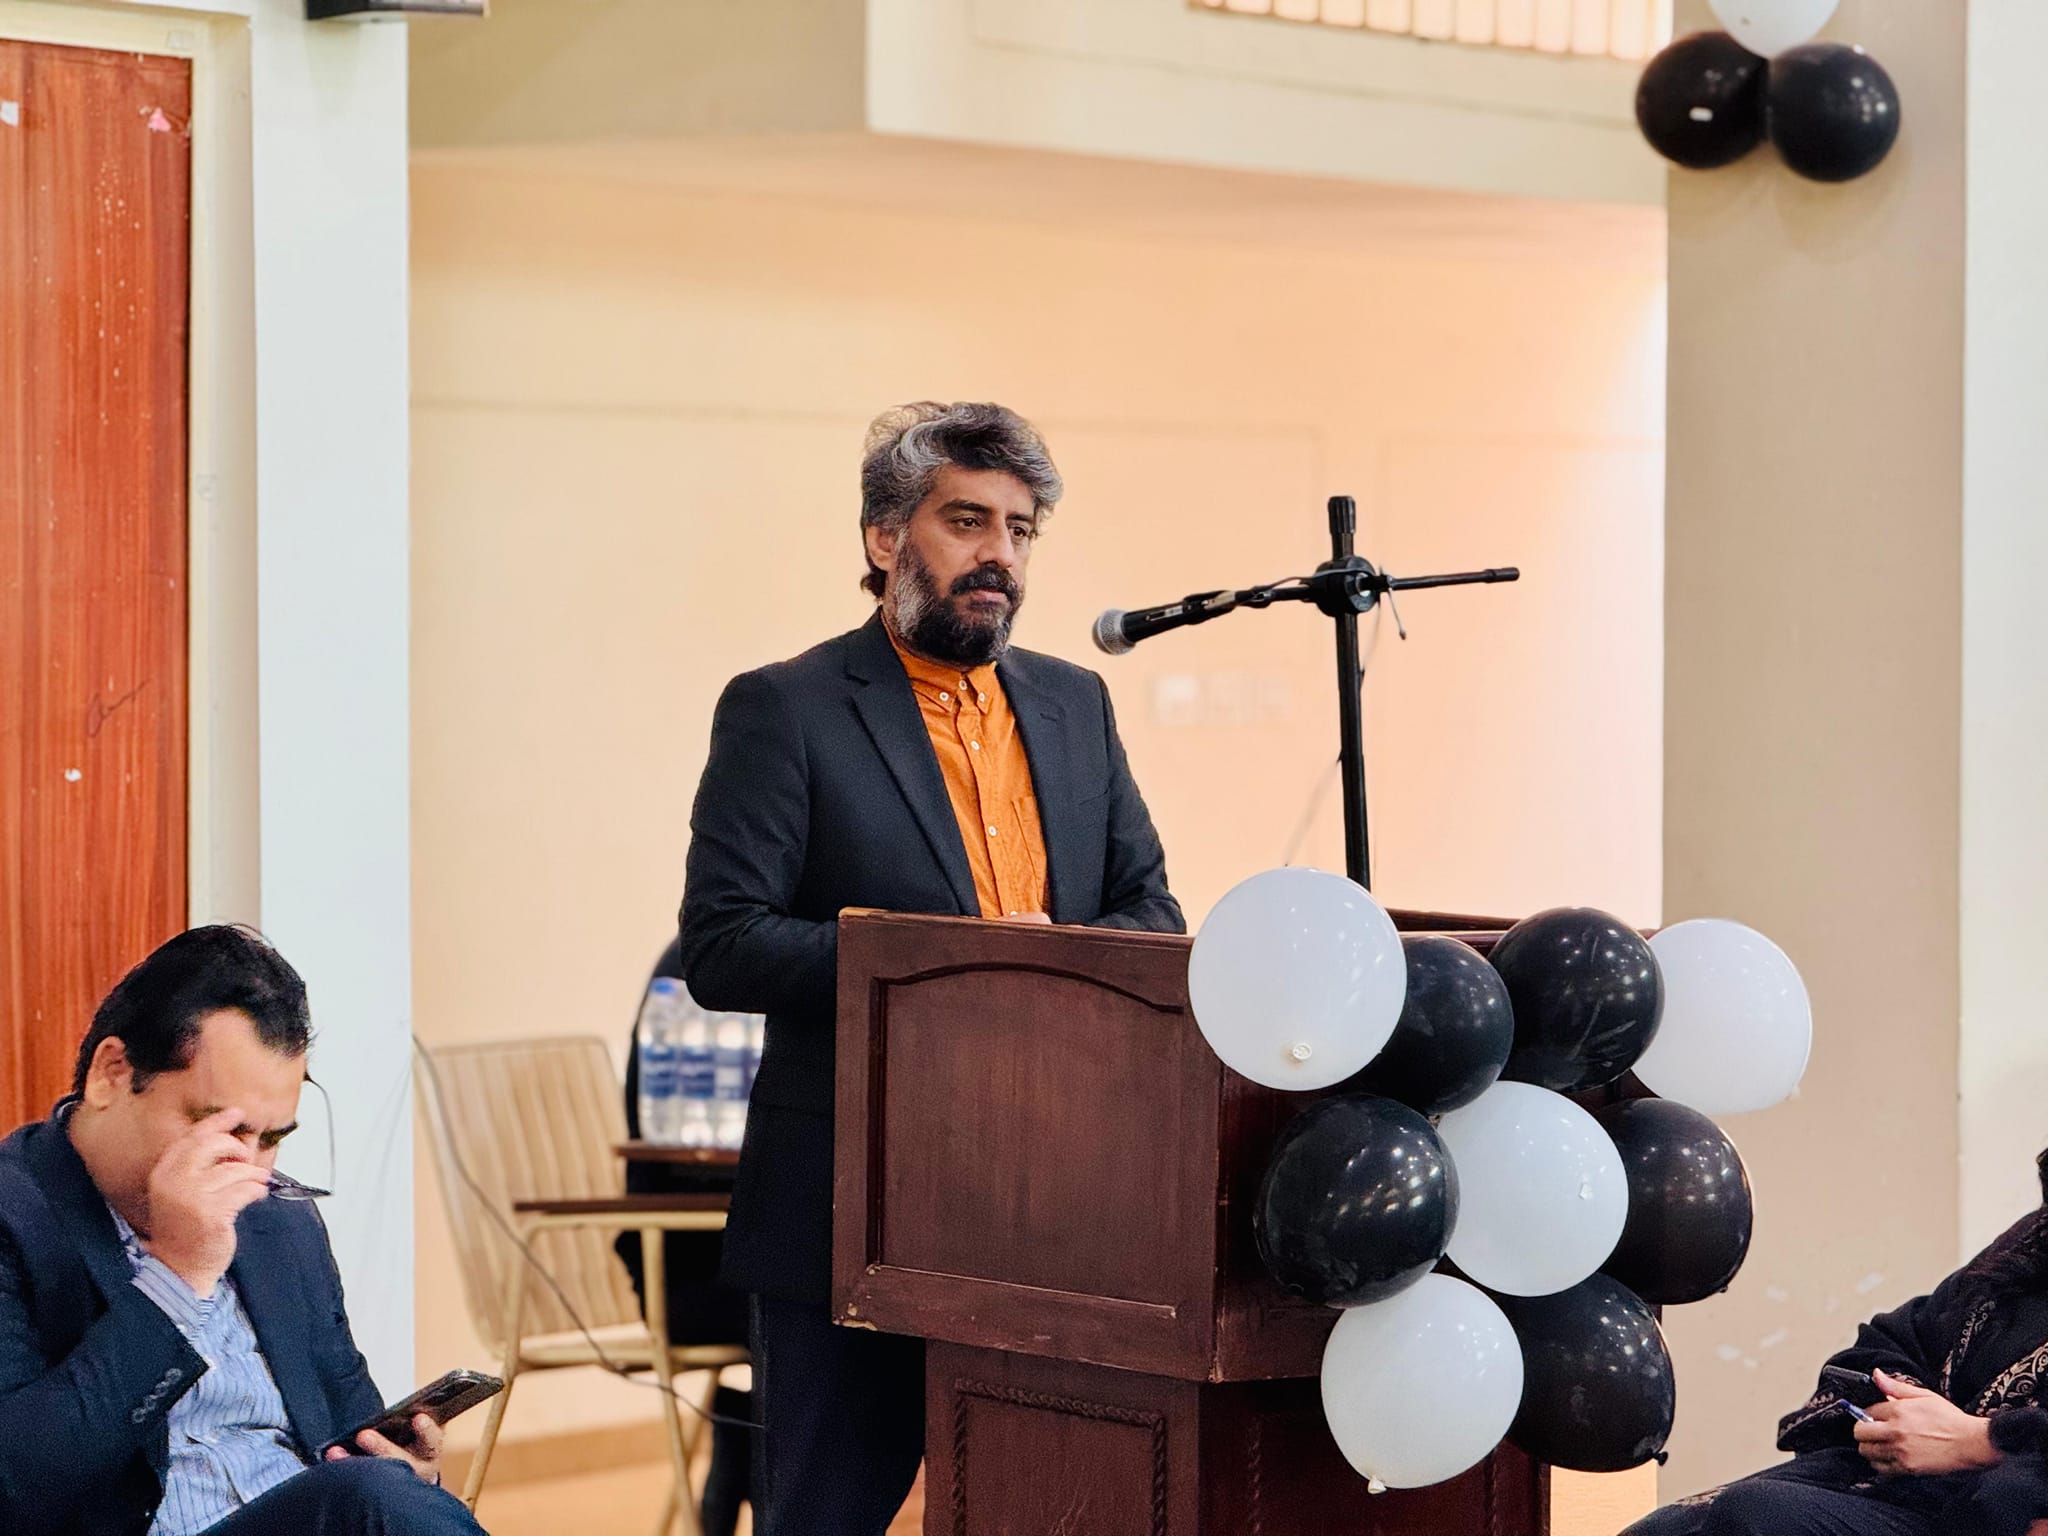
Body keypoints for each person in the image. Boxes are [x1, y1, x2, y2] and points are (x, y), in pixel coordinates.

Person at [679, 400, 1185, 1535]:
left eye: (1019, 529)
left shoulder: (1074, 704)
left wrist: (1058, 965)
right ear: (883, 538)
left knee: (1045, 1507)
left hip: (1056, 1202)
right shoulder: (787, 708)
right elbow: (723, 943)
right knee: (828, 1516)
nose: (998, 554)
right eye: (966, 522)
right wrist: (953, 969)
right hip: (851, 1202)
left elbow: (1151, 909)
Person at [0, 925, 487, 1536]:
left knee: (377, 1492)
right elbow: (14, 1487)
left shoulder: (280, 1222)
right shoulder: (14, 1214)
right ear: (112, 1073)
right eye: (221, 1129)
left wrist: (410, 1474)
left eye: (271, 1138)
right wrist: (176, 1277)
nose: (246, 1169)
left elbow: (351, 1439)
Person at [1623, 1147, 2048, 1536]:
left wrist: (1981, 1440)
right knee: (1665, 1531)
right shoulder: (2033, 1242)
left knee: (1761, 1516)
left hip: (1988, 1511)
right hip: (1908, 1489)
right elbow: (1894, 1340)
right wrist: (1903, 1412)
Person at [615, 939, 752, 1536]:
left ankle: (742, 1445)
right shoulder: (699, 975)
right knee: (820, 1313)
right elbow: (701, 1162)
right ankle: (750, 1459)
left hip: (736, 1258)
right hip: (689, 1274)